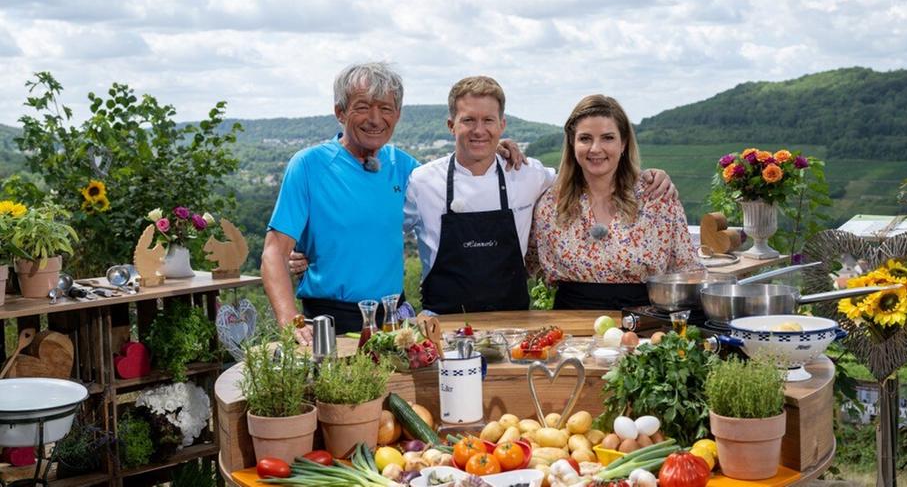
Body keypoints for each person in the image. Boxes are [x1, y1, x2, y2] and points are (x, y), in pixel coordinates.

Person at [263, 63, 525, 341]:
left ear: (397, 115)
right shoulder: (308, 165)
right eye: (363, 107)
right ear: (340, 112)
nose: (375, 119)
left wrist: (489, 149)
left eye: (386, 108)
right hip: (331, 322)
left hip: (394, 322)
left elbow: (457, 179)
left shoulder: (404, 167)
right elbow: (274, 253)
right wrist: (291, 320)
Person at [403, 77, 679, 314]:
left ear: (502, 125)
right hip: (443, 324)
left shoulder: (528, 174)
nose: (479, 130)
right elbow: (384, 233)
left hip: (512, 325)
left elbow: (592, 174)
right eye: (468, 120)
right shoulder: (422, 181)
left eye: (488, 120)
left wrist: (649, 176)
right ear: (451, 125)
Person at [531, 94, 701, 310]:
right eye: (585, 138)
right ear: (572, 143)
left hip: (644, 326)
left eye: (608, 138)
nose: (595, 148)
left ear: (624, 143)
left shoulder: (656, 198)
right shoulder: (550, 204)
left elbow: (688, 270)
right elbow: (526, 263)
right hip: (570, 330)